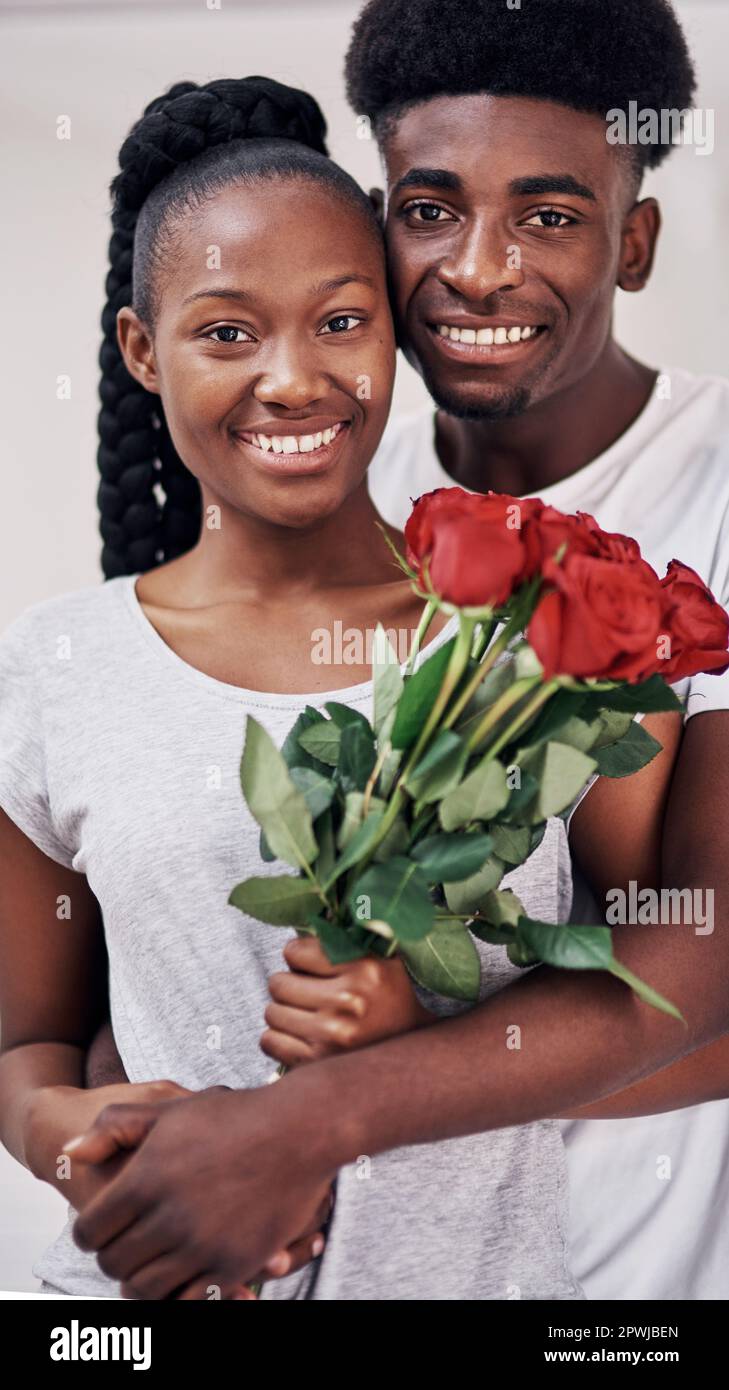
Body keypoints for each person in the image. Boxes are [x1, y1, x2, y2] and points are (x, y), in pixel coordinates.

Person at [0, 74, 689, 1302]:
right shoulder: (51, 671)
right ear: (140, 350)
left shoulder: (540, 643)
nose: (292, 381)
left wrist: (412, 1044)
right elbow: (28, 1040)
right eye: (226, 332)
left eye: (339, 321)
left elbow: (667, 975)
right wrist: (80, 1147)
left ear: (395, 331)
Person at [345, 0, 729, 1298]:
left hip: (624, 1276)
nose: (482, 266)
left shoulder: (717, 481)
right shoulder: (326, 473)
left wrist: (312, 1114)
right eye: (430, 206)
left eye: (551, 216)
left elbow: (708, 967)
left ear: (634, 241)